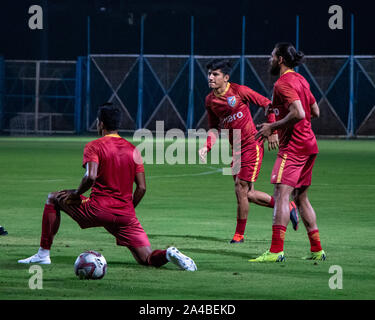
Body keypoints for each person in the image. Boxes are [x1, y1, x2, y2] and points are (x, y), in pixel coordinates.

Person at [18, 104, 197, 271]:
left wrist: (76, 193)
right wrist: (126, 209)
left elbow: (91, 176)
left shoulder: (94, 146)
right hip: (125, 215)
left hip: (97, 209)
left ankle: (43, 255)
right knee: (146, 258)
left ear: (100, 123)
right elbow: (142, 188)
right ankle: (168, 253)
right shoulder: (133, 149)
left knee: (53, 198)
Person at [198, 59, 299, 244]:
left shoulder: (239, 91)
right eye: (209, 74)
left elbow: (268, 104)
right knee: (249, 194)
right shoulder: (210, 100)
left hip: (252, 145)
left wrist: (272, 130)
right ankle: (287, 206)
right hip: (235, 149)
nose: (210, 77)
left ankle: (239, 236)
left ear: (226, 77)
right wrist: (207, 146)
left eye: (215, 74)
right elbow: (213, 127)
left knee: (240, 188)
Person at [250, 42, 326, 262]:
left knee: (281, 195)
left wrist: (272, 127)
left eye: (272, 56)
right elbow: (315, 111)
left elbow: (300, 113)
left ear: (280, 59)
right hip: (310, 144)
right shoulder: (301, 80)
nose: (269, 59)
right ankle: (317, 249)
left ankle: (275, 251)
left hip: (294, 147)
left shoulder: (282, 83)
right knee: (301, 197)